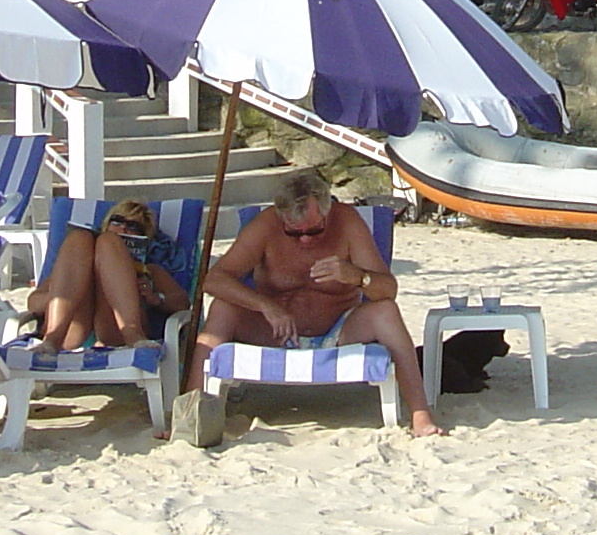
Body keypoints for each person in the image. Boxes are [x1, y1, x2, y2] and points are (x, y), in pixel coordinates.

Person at [186, 169, 443, 437]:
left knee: (387, 312)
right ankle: (190, 415)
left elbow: (388, 290)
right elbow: (213, 281)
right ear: (281, 217)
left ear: (327, 211)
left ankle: (420, 415)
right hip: (274, 332)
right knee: (222, 308)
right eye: (294, 233)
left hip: (338, 329)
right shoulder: (265, 226)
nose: (306, 239)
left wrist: (357, 276)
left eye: (314, 229)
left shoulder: (347, 223)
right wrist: (264, 305)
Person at [23, 198, 185, 353]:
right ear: (106, 223)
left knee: (109, 242)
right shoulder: (73, 264)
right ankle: (52, 339)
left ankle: (133, 334)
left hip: (115, 332)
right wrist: (63, 295)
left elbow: (183, 302)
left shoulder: (150, 270)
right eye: (117, 221)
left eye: (134, 226)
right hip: (71, 332)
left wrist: (155, 297)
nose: (123, 228)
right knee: (79, 238)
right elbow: (33, 303)